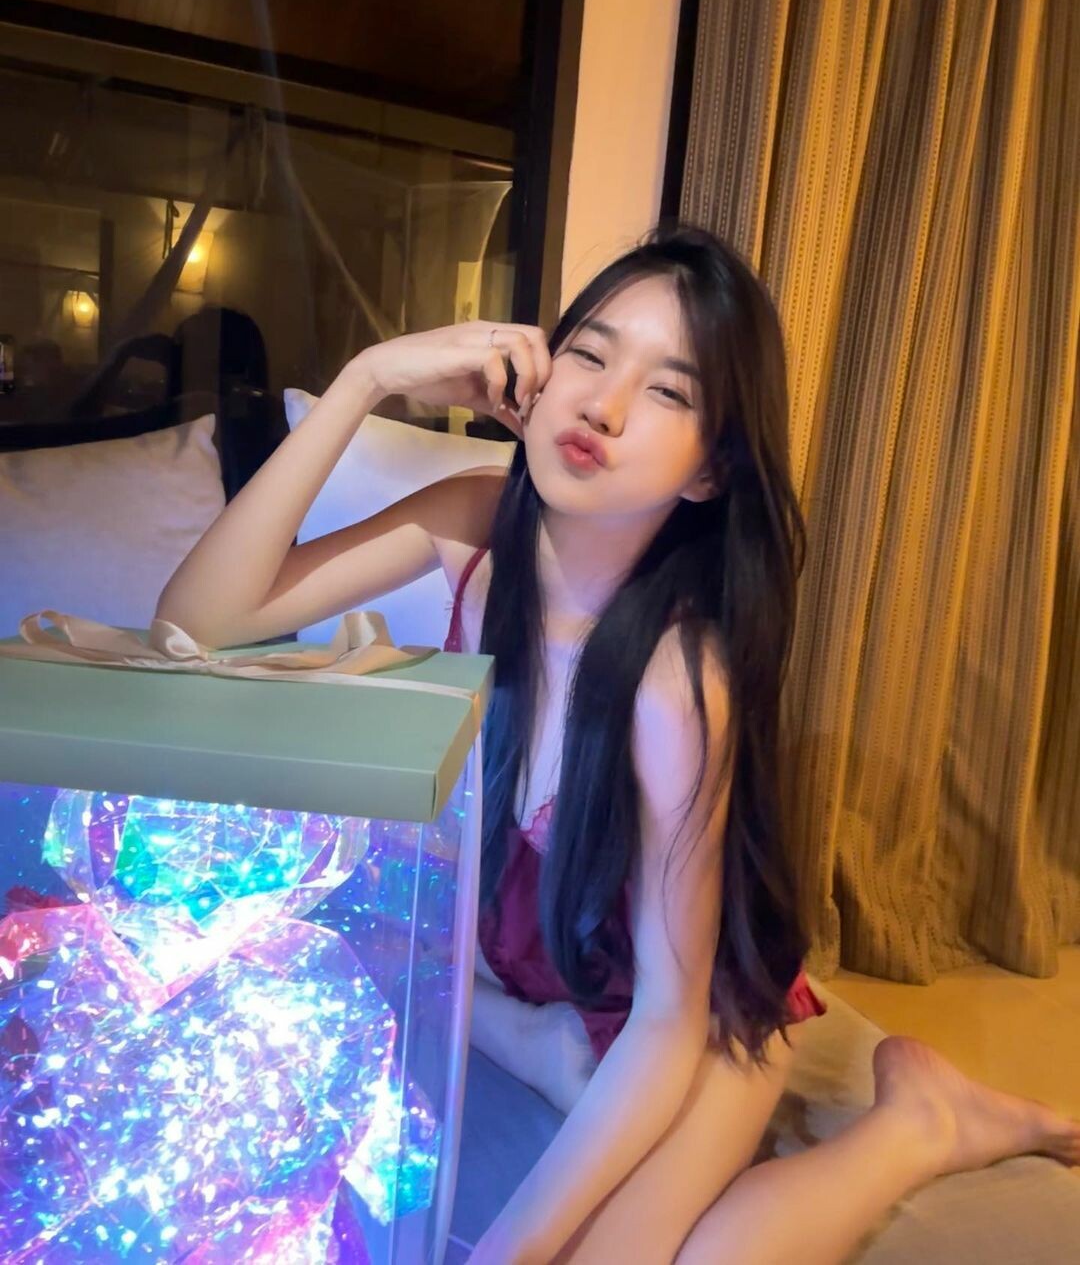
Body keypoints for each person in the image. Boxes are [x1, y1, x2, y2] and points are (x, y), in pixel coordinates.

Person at [157, 223, 1080, 1265]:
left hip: (689, 1016)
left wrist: (506, 1252)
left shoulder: (678, 682)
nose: (604, 404)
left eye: (669, 391)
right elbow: (195, 621)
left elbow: (671, 1017)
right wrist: (370, 377)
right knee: (310, 921)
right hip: (533, 960)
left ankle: (921, 1121)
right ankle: (532, 1037)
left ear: (709, 472)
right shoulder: (473, 527)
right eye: (589, 354)